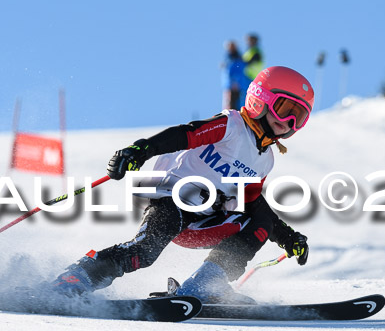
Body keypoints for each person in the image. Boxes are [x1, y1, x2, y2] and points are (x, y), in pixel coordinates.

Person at [52, 66, 313, 304]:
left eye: (298, 117)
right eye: (285, 110)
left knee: (260, 221)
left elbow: (254, 204)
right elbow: (186, 134)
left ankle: (205, 284)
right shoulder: (231, 126)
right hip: (171, 199)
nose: (289, 122)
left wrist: (288, 237)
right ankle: (77, 278)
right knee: (144, 253)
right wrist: (140, 150)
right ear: (260, 99)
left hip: (204, 220)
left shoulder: (265, 160)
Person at [221, 40, 251, 110]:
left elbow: (238, 70)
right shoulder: (229, 59)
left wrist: (235, 81)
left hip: (237, 85)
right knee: (230, 103)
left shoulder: (237, 59)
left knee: (236, 102)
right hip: (231, 85)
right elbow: (229, 72)